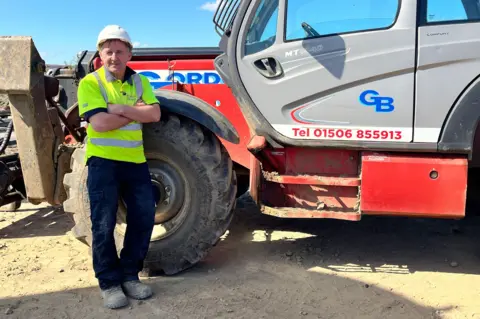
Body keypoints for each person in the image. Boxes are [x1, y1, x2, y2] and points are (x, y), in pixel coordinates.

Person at [77, 25, 161, 309]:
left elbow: (156, 113)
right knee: (103, 224)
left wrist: (119, 109)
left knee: (144, 217)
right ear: (100, 53)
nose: (113, 56)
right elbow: (98, 123)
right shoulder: (91, 83)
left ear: (129, 54)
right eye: (108, 51)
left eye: (119, 51)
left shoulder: (140, 82)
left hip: (135, 162)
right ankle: (109, 283)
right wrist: (136, 112)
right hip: (103, 164)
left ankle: (129, 275)